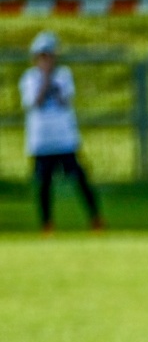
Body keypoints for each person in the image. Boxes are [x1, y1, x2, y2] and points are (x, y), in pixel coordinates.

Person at [19, 31, 103, 234]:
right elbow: (34, 102)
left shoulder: (64, 75)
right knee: (44, 185)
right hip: (42, 141)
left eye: (50, 55)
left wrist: (51, 79)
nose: (47, 60)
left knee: (80, 179)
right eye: (43, 56)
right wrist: (45, 78)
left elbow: (65, 100)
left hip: (64, 139)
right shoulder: (29, 79)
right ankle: (47, 224)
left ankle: (96, 219)